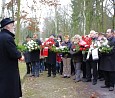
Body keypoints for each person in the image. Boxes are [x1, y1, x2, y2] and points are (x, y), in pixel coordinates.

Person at [0, 18, 24, 98]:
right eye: (13, 26)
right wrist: (20, 56)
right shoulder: (8, 38)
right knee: (10, 90)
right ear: (8, 27)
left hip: (2, 68)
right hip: (8, 69)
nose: (14, 28)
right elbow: (14, 53)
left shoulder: (1, 36)